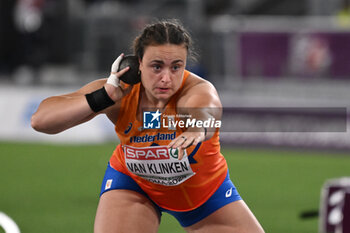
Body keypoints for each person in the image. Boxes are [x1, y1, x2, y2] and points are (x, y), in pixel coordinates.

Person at [31, 19, 265, 233]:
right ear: (137, 64)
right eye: (156, 66)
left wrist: (196, 130)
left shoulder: (196, 91)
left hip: (205, 195)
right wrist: (104, 96)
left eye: (176, 66)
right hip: (134, 184)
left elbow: (206, 113)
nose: (166, 78)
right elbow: (41, 121)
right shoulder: (120, 94)